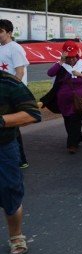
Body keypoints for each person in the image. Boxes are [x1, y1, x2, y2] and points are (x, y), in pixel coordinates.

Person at [0, 71, 41, 254]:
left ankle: (16, 235)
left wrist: (1, 120)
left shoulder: (7, 82)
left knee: (9, 191)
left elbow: (32, 113)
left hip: (3, 147)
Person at [47, 41, 82, 153]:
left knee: (75, 119)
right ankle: (76, 138)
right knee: (68, 120)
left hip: (79, 99)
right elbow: (50, 73)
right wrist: (60, 62)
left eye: (73, 56)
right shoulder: (61, 65)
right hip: (64, 99)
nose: (71, 59)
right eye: (68, 57)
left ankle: (72, 145)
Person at [0, 19, 30, 168]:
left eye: (1, 31)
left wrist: (11, 93)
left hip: (12, 95)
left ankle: (20, 160)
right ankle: (18, 159)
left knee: (10, 126)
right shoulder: (1, 48)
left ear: (9, 33)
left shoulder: (15, 48)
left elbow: (20, 71)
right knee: (9, 126)